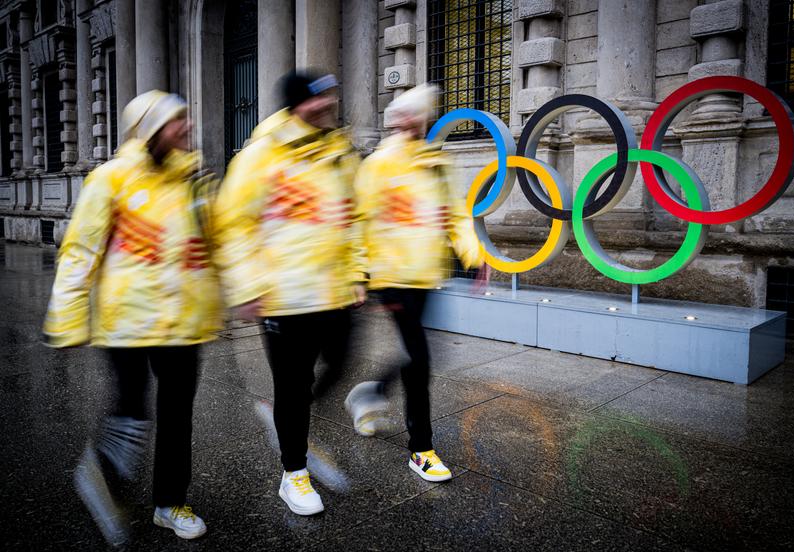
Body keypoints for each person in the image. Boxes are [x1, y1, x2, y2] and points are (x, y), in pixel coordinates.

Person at [43, 90, 222, 544]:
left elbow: (211, 247)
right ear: (150, 129)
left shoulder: (194, 180)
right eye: (175, 121)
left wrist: (225, 298)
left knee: (178, 414)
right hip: (127, 319)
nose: (186, 127)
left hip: (183, 320)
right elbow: (81, 250)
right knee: (132, 410)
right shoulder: (110, 179)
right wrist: (67, 319)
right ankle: (104, 475)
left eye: (185, 119)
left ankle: (170, 503)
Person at [213, 70, 366, 516]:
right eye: (318, 98)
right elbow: (232, 225)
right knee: (293, 384)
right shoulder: (261, 156)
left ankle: (288, 417)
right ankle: (293, 474)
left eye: (331, 96)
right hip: (283, 295)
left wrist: (358, 272)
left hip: (335, 290)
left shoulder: (340, 152)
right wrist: (246, 287)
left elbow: (352, 217)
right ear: (298, 104)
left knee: (340, 363)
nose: (327, 104)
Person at [344, 83, 484, 482]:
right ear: (394, 119)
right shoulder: (378, 165)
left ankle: (372, 392)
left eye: (417, 117)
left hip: (426, 275)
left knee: (417, 353)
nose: (410, 123)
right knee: (419, 358)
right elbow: (358, 222)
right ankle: (421, 449)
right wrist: (360, 275)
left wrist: (472, 256)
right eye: (404, 116)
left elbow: (454, 214)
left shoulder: (434, 163)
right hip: (391, 277)